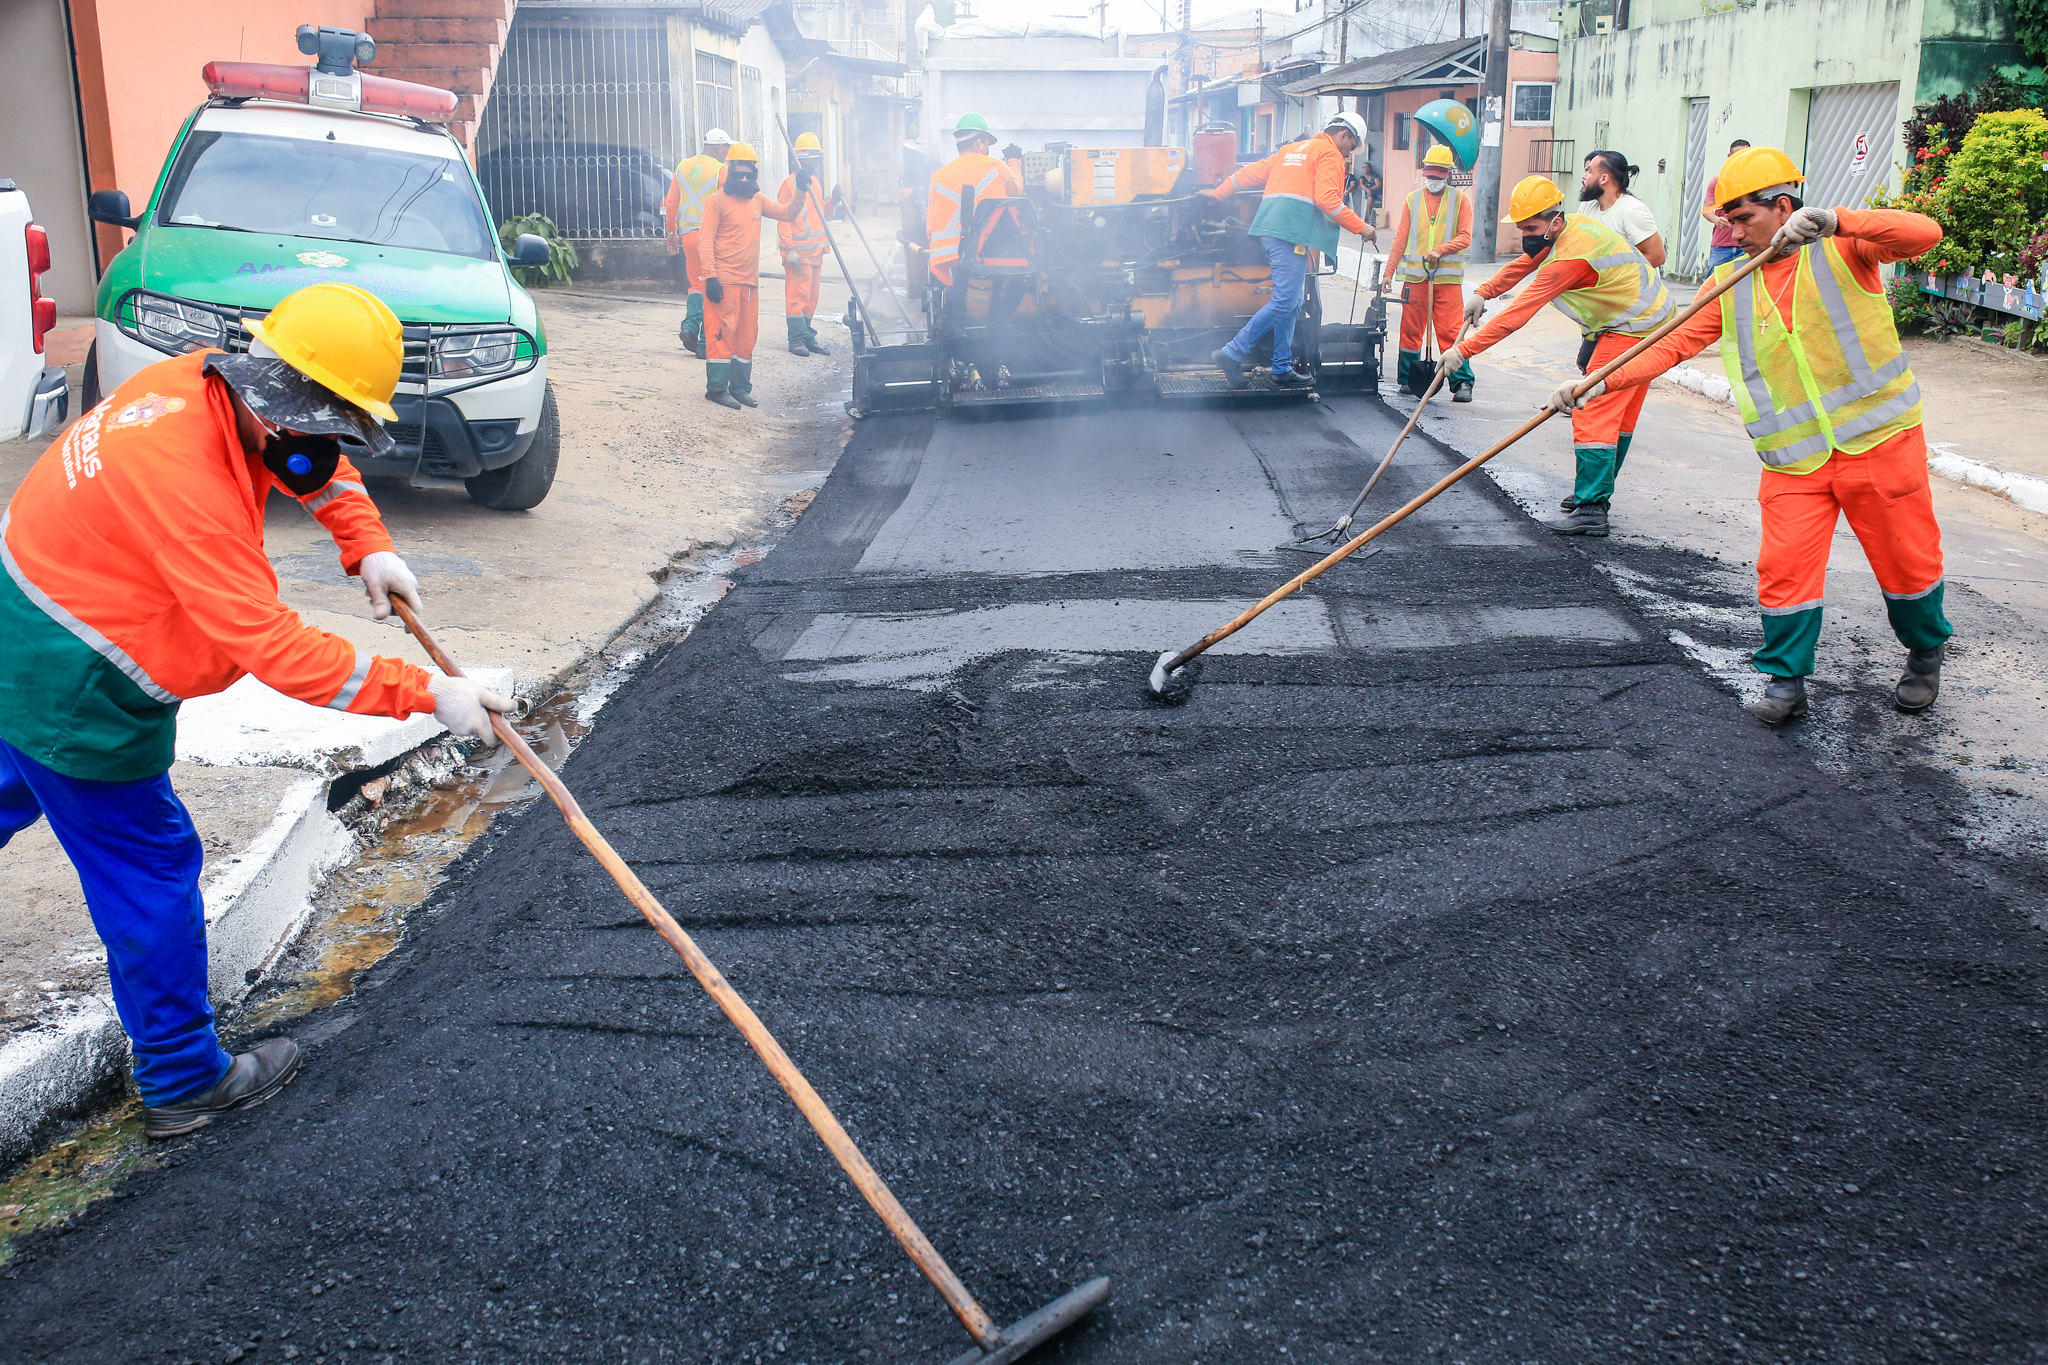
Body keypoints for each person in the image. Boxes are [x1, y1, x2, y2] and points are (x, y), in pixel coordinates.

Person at [0, 282, 511, 1140]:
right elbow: (274, 650)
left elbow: (311, 458)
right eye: (329, 419)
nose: (330, 439)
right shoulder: (185, 482)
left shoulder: (208, 381)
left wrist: (367, 543)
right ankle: (183, 1077)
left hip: (22, 617)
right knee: (148, 864)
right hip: (74, 674)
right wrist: (428, 692)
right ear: (282, 403)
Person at [1552, 146, 1949, 723]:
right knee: (1784, 568)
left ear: (1782, 206)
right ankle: (1785, 682)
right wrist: (1597, 382)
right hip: (1793, 458)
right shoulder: (1730, 280)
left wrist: (1842, 219)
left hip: (1879, 443)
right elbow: (1670, 344)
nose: (1732, 233)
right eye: (1726, 222)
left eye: (1741, 219)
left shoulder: (1844, 249)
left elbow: (1925, 233)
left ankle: (1924, 652)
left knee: (1905, 560)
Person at [1448, 175, 1672, 536]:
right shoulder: (1570, 229)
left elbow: (1517, 315)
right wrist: (1483, 293)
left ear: (1554, 219)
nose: (1527, 235)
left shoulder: (1569, 258)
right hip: (1643, 322)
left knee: (1595, 411)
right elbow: (1523, 262)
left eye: (1532, 227)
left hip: (1633, 329)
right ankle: (1595, 492)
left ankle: (1592, 508)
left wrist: (1463, 351)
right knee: (1620, 416)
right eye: (1521, 228)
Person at [1206, 112, 1378, 389]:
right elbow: (1328, 201)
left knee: (1293, 301)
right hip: (1290, 232)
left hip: (1271, 229)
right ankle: (1231, 353)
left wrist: (1217, 195)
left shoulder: (1292, 149)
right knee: (1286, 300)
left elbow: (1251, 173)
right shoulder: (1330, 154)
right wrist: (1362, 227)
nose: (1349, 154)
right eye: (1352, 146)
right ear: (1344, 135)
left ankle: (1281, 368)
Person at [697, 141, 807, 409]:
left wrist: (801, 190)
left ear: (754, 174)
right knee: (721, 335)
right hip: (723, 283)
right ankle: (717, 389)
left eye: (749, 173)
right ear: (730, 172)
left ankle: (741, 388)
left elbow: (786, 213)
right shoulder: (716, 202)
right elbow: (705, 242)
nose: (744, 178)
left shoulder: (757, 200)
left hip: (749, 285)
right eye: (739, 173)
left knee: (746, 338)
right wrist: (711, 277)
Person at [1379, 143, 1474, 401]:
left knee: (1452, 331)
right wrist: (1388, 272)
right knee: (1410, 330)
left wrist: (1440, 250)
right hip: (1415, 278)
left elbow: (1466, 237)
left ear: (1447, 174)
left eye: (1438, 176)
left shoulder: (1459, 200)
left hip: (1447, 279)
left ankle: (1462, 382)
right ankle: (1408, 379)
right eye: (1429, 175)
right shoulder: (1413, 199)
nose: (1432, 180)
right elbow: (1401, 237)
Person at [927, 114, 1023, 289]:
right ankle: (997, 313)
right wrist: (1014, 160)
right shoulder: (997, 167)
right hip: (990, 254)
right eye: (986, 143)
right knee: (1020, 283)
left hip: (951, 258)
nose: (987, 149)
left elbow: (930, 229)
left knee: (959, 280)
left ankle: (957, 314)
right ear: (979, 143)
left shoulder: (938, 177)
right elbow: (1017, 192)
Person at [664, 127, 733, 358]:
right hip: (712, 238)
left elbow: (671, 201)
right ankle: (705, 343)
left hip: (688, 236)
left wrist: (671, 232)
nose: (727, 153)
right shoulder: (721, 170)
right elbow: (728, 205)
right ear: (720, 147)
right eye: (727, 148)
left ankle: (690, 327)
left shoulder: (683, 166)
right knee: (712, 284)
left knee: (696, 284)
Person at [778, 132, 832, 357]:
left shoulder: (815, 182)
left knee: (811, 298)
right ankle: (797, 339)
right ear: (802, 160)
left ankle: (807, 335)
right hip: (798, 254)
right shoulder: (790, 185)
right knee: (797, 298)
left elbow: (820, 213)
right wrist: (789, 248)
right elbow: (783, 217)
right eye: (814, 159)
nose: (818, 163)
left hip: (816, 252)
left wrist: (834, 201)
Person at [1580, 150, 1665, 271]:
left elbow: (1657, 257)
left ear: (1604, 178)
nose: (1584, 176)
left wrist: (1615, 277)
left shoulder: (1632, 210)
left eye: (1589, 171)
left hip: (1633, 288)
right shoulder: (1587, 205)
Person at [1701, 138, 1751, 271]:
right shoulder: (1718, 181)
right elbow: (1707, 209)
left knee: (1747, 286)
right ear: (1729, 157)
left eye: (1744, 156)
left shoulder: (1756, 181)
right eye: (1736, 156)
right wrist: (1716, 219)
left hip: (1749, 244)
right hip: (1722, 245)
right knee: (1713, 286)